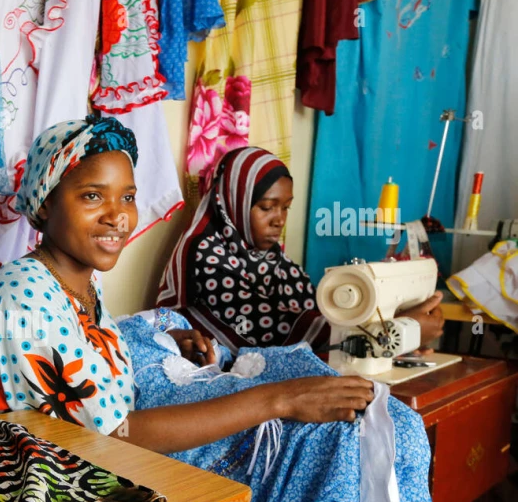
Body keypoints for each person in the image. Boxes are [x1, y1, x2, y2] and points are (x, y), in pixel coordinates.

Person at [0, 114, 413, 502]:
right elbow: (103, 440)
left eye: (128, 196)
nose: (118, 216)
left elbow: (89, 382)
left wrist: (163, 336)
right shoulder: (21, 292)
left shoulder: (81, 288)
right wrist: (279, 400)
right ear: (44, 204)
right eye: (93, 196)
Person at [155, 146, 445, 352]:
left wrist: (395, 342)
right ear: (234, 201)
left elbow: (320, 311)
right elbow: (267, 333)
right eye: (266, 207)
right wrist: (399, 331)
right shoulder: (205, 254)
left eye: (286, 207)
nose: (279, 219)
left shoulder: (269, 258)